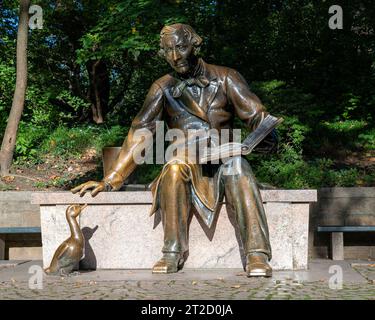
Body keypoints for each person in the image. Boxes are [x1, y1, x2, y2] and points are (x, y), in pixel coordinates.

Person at [72, 23, 275, 277]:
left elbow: (256, 114)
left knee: (239, 169)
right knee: (173, 168)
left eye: (180, 47)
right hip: (185, 159)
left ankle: (257, 253)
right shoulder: (162, 87)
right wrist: (111, 179)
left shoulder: (226, 77)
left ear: (195, 44)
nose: (176, 56)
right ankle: (172, 251)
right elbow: (140, 133)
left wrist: (265, 133)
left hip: (223, 158)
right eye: (169, 51)